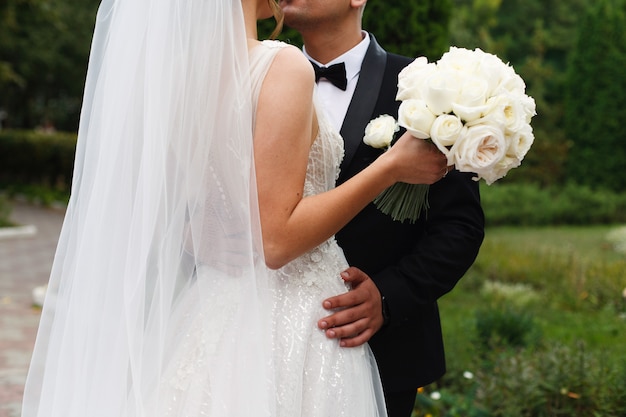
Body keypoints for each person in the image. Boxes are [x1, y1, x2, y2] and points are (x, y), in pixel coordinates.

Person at [21, 0, 449, 416]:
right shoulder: (280, 65)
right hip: (294, 319)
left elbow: (149, 199)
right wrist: (390, 167)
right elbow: (277, 241)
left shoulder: (177, 77)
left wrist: (191, 229)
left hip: (212, 315)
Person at [279, 1, 486, 416]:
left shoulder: (430, 90)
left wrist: (389, 296)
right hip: (268, 334)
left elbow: (460, 225)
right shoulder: (259, 82)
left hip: (381, 350)